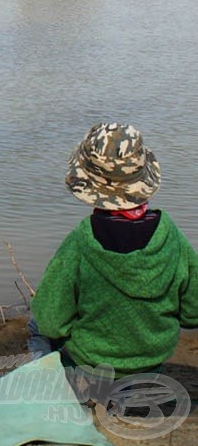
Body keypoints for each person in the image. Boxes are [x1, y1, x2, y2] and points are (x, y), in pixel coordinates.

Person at [30, 122, 198, 378]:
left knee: (36, 325)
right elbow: (192, 313)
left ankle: (53, 383)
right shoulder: (172, 238)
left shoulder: (80, 242)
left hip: (89, 363)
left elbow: (51, 321)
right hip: (150, 363)